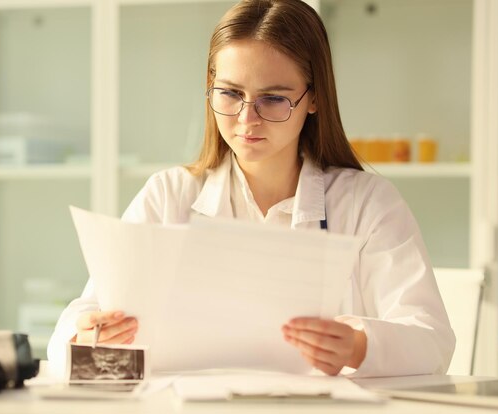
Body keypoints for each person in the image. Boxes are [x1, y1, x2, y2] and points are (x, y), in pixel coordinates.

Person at [48, 0, 455, 378]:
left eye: (273, 99)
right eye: (230, 93)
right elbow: (73, 329)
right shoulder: (169, 195)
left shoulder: (366, 203)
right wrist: (87, 336)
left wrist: (358, 346)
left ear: (313, 99)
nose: (247, 119)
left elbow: (432, 340)